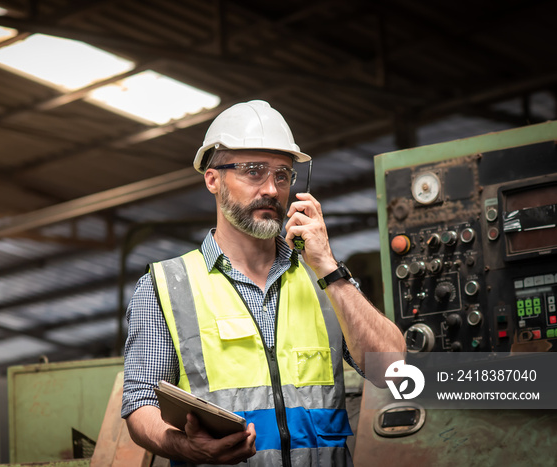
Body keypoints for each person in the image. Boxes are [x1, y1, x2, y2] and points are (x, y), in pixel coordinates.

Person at [121, 100, 406, 466]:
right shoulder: (166, 287)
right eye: (254, 171)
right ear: (213, 179)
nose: (272, 189)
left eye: (283, 175)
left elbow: (393, 371)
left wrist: (327, 267)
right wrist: (186, 448)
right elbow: (139, 403)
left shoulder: (325, 279)